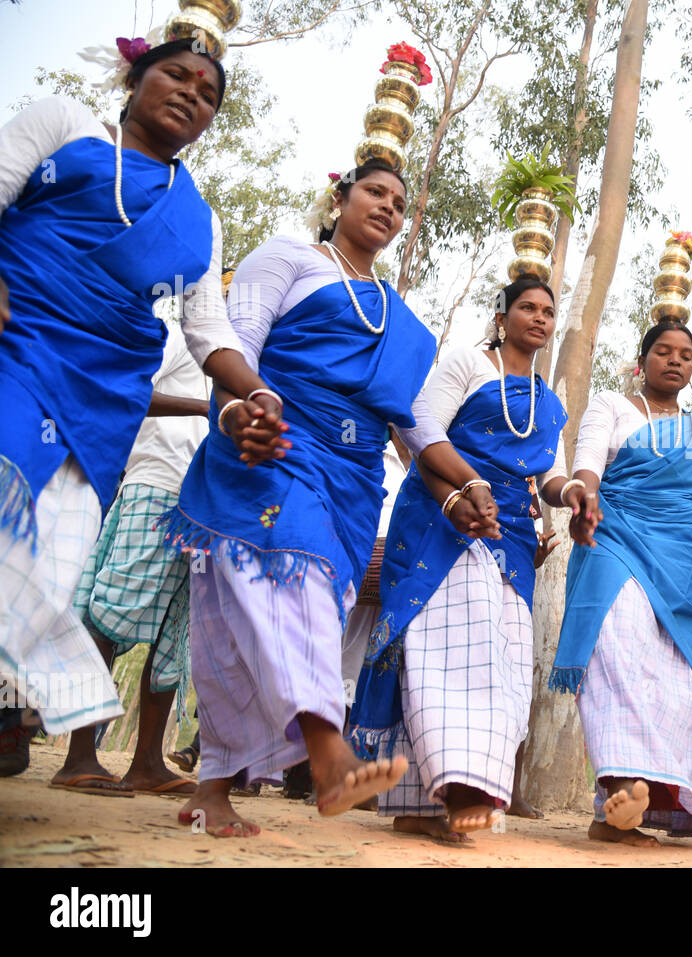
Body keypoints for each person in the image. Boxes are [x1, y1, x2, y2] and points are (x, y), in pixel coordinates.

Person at [0, 36, 282, 739]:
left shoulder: (199, 216)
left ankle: (8, 711)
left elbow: (208, 329)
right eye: (176, 75)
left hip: (104, 401)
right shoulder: (63, 121)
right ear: (135, 77)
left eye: (208, 92)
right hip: (16, 344)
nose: (192, 93)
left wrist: (253, 393)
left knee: (54, 557)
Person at [161, 160, 449, 836]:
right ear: (339, 198)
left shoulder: (399, 317)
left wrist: (461, 485)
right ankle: (328, 753)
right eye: (374, 191)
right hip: (269, 443)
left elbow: (413, 420)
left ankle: (214, 786)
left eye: (399, 202)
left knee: (238, 624)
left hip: (352, 481)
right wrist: (237, 417)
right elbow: (234, 344)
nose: (387, 206)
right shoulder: (287, 257)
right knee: (298, 579)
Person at [349, 277, 568, 838]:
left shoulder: (551, 402)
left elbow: (552, 477)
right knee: (443, 652)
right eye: (527, 307)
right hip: (442, 520)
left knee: (508, 661)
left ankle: (438, 797)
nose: (539, 318)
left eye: (548, 310)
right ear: (503, 315)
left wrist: (574, 499)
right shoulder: (469, 363)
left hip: (511, 538)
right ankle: (440, 795)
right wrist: (465, 486)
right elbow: (419, 425)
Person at [550, 319, 692, 846]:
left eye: (685, 354)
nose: (675, 360)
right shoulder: (613, 405)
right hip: (614, 534)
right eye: (664, 351)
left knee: (674, 678)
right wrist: (585, 499)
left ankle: (620, 811)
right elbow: (586, 466)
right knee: (618, 656)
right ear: (641, 358)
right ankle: (624, 782)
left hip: (686, 559)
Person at [50, 304, 210, 797]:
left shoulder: (226, 353)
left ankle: (147, 763)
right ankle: (78, 756)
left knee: (171, 633)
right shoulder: (174, 329)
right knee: (108, 615)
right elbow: (129, 392)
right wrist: (207, 408)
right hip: (155, 483)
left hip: (200, 498)